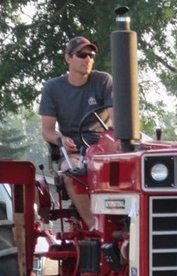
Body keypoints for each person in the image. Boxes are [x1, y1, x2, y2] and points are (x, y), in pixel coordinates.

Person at [38, 36, 114, 228]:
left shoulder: (103, 81)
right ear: (68, 58)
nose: (87, 59)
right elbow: (47, 130)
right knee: (72, 172)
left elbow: (117, 118)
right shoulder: (53, 88)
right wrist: (61, 139)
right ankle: (95, 227)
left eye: (91, 55)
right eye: (82, 55)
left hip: (104, 149)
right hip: (74, 150)